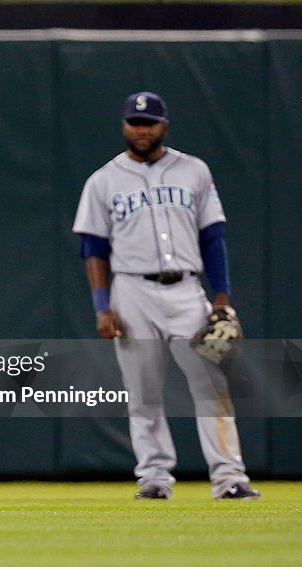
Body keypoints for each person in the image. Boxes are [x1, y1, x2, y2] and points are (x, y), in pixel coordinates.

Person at [72, 92, 259, 500]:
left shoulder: (194, 171)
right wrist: (102, 307)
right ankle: (154, 478)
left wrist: (222, 298)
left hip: (187, 291)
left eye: (150, 123)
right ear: (124, 126)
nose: (142, 130)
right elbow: (93, 249)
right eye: (135, 123)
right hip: (131, 292)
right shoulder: (103, 180)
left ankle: (229, 478)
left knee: (212, 386)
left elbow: (213, 237)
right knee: (143, 392)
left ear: (165, 125)